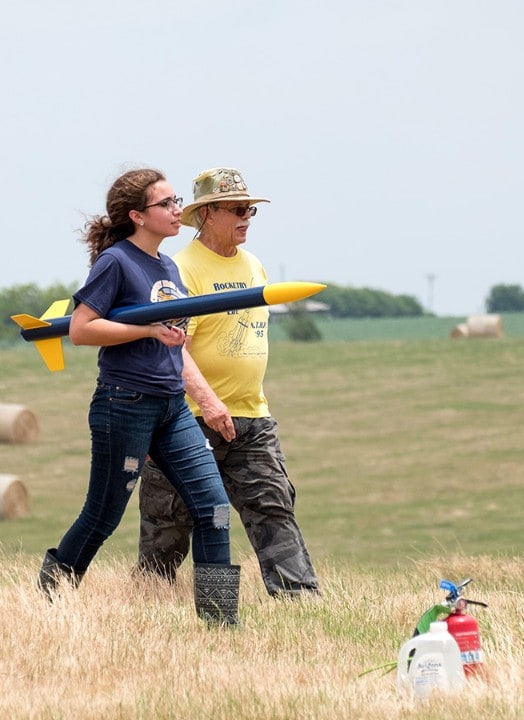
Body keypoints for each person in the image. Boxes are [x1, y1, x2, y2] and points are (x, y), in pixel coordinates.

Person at [37, 167, 240, 626]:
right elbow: (83, 329)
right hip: (124, 402)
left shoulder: (169, 266)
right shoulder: (116, 262)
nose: (176, 210)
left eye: (175, 201)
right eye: (166, 204)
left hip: (172, 407)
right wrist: (147, 329)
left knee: (214, 508)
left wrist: (179, 354)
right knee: (104, 514)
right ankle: (50, 597)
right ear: (137, 216)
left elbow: (170, 336)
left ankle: (220, 624)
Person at [136, 167, 320, 598]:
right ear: (207, 214)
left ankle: (300, 602)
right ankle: (147, 600)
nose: (247, 217)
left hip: (252, 418)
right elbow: (172, 347)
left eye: (250, 209)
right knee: (169, 522)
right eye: (237, 209)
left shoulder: (254, 265)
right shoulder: (179, 271)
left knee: (273, 507)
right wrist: (209, 401)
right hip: (189, 419)